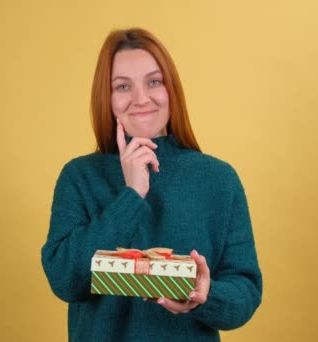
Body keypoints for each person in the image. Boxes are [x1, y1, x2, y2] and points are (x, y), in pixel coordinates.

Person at [41, 28, 262, 341]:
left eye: (154, 82)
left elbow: (246, 293)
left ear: (171, 89)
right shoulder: (79, 177)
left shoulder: (218, 179)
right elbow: (65, 280)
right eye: (122, 86)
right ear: (107, 98)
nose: (141, 98)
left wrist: (204, 295)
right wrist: (131, 195)